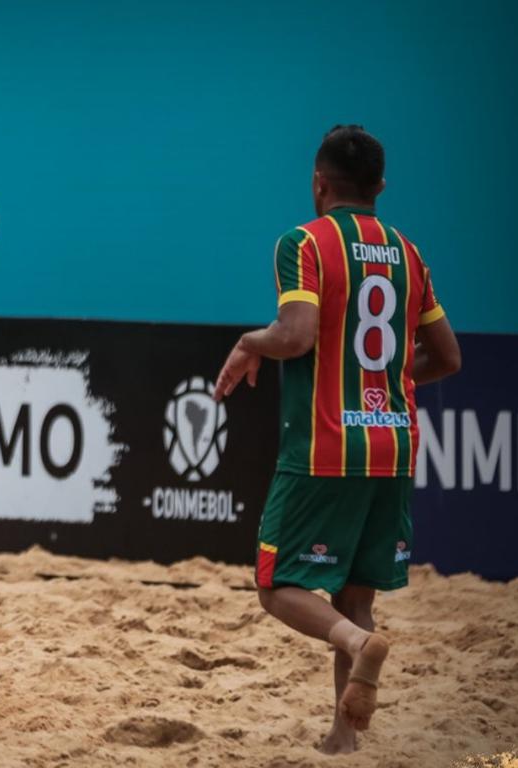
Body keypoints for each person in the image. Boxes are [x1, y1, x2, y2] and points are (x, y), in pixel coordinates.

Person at [214, 125, 461, 754]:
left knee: (275, 586)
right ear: (379, 187)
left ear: (319, 184)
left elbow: (295, 335)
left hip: (324, 445)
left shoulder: (304, 242)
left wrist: (249, 344)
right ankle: (342, 740)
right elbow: (448, 358)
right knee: (355, 594)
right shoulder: (409, 254)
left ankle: (354, 647)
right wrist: (387, 385)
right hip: (393, 445)